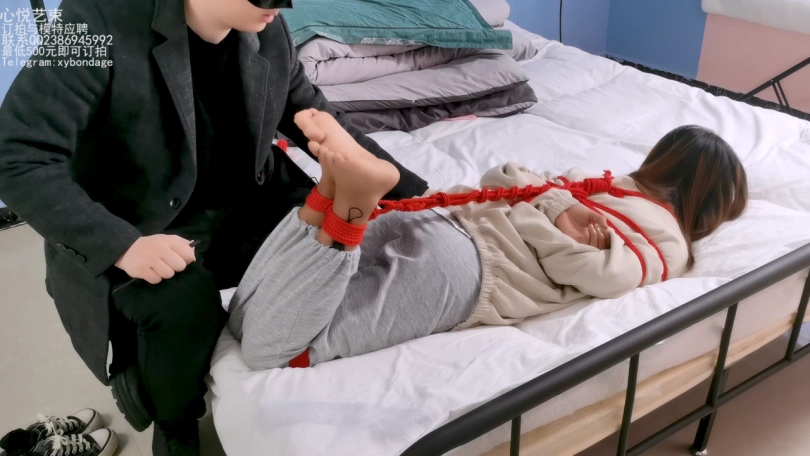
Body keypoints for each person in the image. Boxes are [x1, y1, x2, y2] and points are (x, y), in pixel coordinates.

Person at [0, 0, 429, 455]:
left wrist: (415, 197)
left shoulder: (269, 30)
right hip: (142, 222)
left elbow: (320, 118)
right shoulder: (91, 20)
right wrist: (123, 245)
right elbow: (15, 157)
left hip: (247, 202)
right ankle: (173, 419)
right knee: (182, 304)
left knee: (340, 253)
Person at [228, 114, 749, 370]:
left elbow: (508, 184)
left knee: (244, 317)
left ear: (661, 159)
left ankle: (328, 195)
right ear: (712, 206)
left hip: (446, 219)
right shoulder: (660, 237)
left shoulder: (596, 186)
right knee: (274, 348)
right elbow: (592, 267)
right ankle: (347, 202)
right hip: (468, 264)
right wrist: (554, 214)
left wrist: (544, 204)